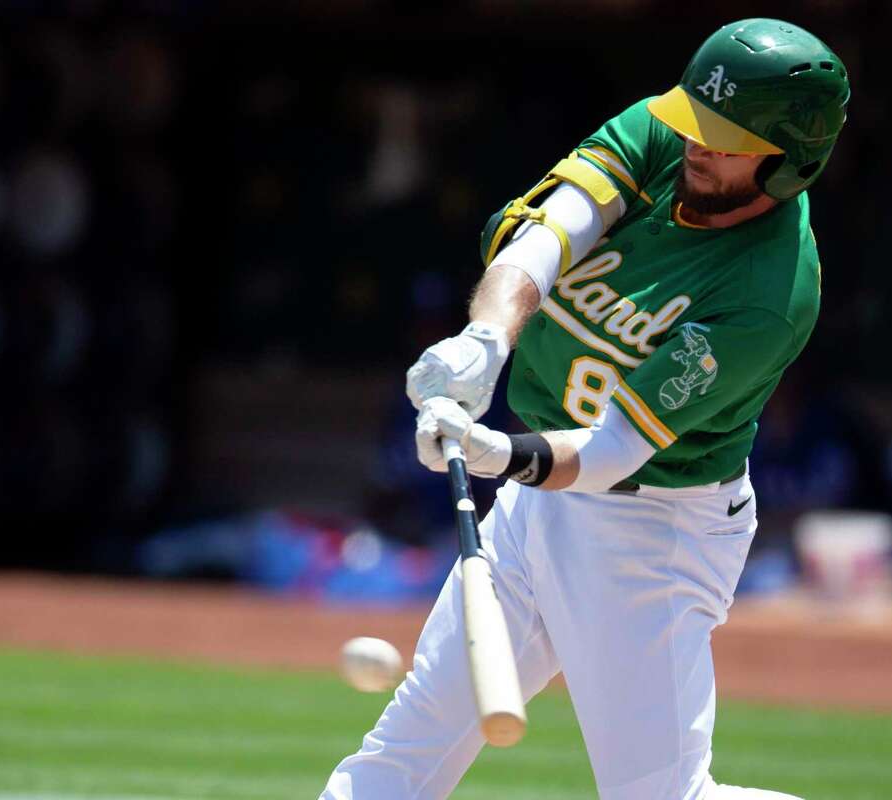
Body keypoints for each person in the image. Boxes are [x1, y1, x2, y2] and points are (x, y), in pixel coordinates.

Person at [321, 18, 850, 800]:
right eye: (697, 125)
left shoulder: (767, 296)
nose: (699, 147)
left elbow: (610, 452)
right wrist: (486, 341)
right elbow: (548, 235)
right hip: (537, 508)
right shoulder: (664, 133)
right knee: (402, 754)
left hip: (653, 531)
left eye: (727, 139)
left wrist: (496, 451)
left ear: (788, 162)